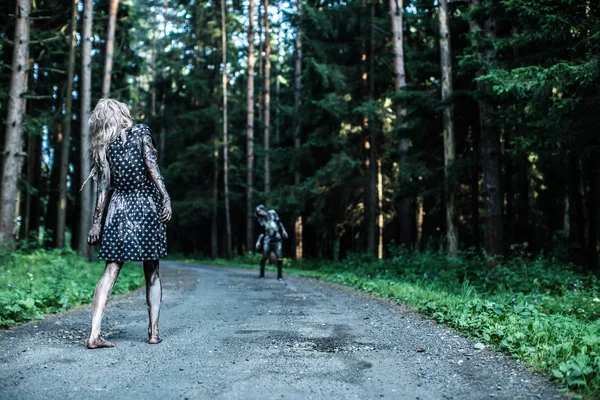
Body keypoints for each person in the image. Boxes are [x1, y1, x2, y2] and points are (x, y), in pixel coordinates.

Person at [85, 99, 172, 349]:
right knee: (152, 270)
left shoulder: (104, 147)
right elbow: (152, 168)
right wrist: (165, 197)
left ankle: (94, 334)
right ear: (122, 113)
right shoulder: (141, 132)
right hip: (145, 205)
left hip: (117, 210)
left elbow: (103, 190)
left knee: (111, 269)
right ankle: (153, 332)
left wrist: (96, 224)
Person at [255, 204, 288, 280]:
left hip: (277, 238)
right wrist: (258, 241)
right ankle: (261, 274)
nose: (260, 213)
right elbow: (261, 232)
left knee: (279, 256)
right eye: (258, 212)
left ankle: (279, 276)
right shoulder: (260, 220)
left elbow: (279, 221)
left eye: (260, 210)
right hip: (267, 239)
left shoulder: (272, 212)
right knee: (264, 256)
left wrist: (284, 230)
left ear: (263, 209)